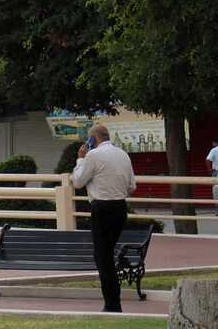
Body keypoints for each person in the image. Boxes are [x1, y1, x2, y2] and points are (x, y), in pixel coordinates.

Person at [72, 124, 137, 313]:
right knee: (107, 254)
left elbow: (77, 181)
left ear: (92, 139)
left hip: (102, 208)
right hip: (120, 207)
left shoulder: (92, 156)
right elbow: (132, 186)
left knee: (102, 256)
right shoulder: (123, 154)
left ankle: (112, 303)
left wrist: (80, 159)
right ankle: (113, 300)